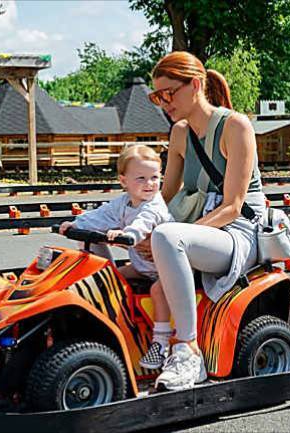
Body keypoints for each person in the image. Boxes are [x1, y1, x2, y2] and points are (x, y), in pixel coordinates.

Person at [145, 51, 266, 390]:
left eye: (169, 93)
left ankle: (188, 351)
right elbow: (163, 197)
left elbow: (233, 206)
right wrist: (126, 223)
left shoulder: (235, 126)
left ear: (196, 85)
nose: (164, 103)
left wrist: (169, 236)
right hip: (199, 233)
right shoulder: (180, 133)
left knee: (167, 238)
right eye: (157, 96)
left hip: (238, 233)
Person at [58, 145, 175, 369]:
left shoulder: (155, 206)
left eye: (154, 177)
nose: (150, 184)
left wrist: (127, 234)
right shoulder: (123, 203)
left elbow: (143, 224)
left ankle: (161, 344)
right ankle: (114, 319)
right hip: (144, 266)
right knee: (113, 278)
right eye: (141, 178)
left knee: (158, 291)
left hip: (169, 268)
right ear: (124, 181)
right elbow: (100, 215)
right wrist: (75, 224)